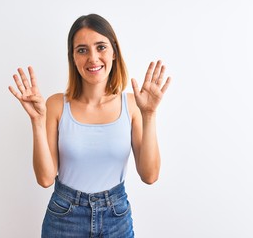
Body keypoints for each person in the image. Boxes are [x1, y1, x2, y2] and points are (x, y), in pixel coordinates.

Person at [9, 13, 171, 238]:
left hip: (116, 217)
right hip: (64, 218)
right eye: (82, 50)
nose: (93, 58)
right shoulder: (56, 105)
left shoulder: (133, 105)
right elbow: (45, 179)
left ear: (114, 52)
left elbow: (150, 175)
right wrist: (37, 122)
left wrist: (150, 114)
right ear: (73, 58)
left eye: (101, 47)